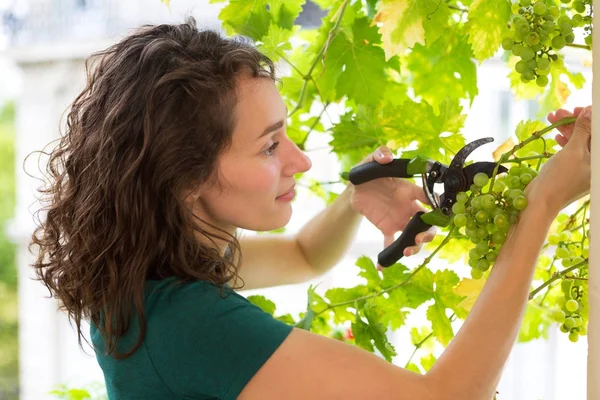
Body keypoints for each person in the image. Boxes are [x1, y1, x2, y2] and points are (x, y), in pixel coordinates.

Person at [29, 17, 591, 400]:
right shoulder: (190, 323)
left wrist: (355, 200)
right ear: (186, 176)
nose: (301, 161)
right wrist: (541, 204)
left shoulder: (151, 274)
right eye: (271, 146)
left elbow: (303, 256)